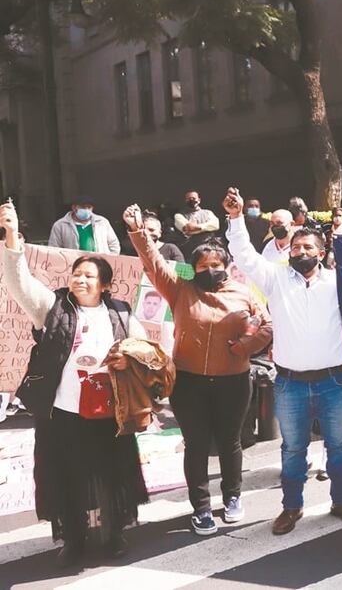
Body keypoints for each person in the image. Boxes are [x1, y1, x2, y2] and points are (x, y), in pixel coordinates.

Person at [2, 202, 148, 566]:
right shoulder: (52, 308)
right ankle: (73, 539)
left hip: (109, 412)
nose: (80, 279)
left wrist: (126, 359)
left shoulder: (121, 314)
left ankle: (115, 533)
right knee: (66, 475)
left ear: (105, 284)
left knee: (113, 473)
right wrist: (11, 238)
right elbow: (19, 283)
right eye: (77, 274)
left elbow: (144, 352)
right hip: (62, 413)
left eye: (89, 276)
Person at [222, 187, 342, 534]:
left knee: (338, 447)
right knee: (292, 450)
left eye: (308, 248)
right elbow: (243, 255)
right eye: (296, 247)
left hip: (334, 382)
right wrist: (235, 217)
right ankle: (292, 507)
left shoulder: (338, 283)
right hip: (289, 383)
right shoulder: (275, 280)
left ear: (322, 253)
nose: (300, 251)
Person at [125, 205, 272, 537]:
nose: (210, 270)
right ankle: (202, 508)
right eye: (202, 266)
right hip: (188, 382)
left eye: (216, 265)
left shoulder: (243, 293)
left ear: (226, 267)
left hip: (233, 382)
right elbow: (154, 263)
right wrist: (139, 232)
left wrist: (243, 349)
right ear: (193, 269)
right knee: (196, 444)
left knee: (230, 442)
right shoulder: (180, 289)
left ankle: (233, 497)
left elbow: (267, 325)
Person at [48, 195, 121, 254]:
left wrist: (109, 261)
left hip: (100, 265)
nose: (86, 210)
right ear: (74, 208)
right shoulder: (60, 225)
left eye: (89, 207)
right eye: (83, 207)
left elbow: (114, 244)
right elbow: (53, 249)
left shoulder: (102, 222)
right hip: (73, 266)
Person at [174, 190, 221, 259]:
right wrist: (206, 228)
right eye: (189, 199)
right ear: (185, 200)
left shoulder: (208, 213)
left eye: (193, 198)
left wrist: (198, 227)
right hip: (190, 249)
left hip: (209, 247)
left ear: (199, 200)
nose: (191, 200)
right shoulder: (179, 215)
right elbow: (187, 228)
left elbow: (215, 225)